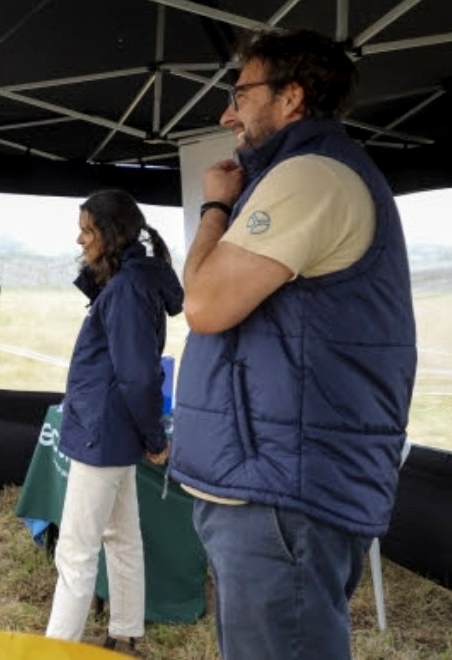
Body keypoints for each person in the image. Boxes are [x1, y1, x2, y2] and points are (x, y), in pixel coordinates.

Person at [169, 29, 417, 660]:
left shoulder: (311, 175)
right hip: (273, 483)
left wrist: (214, 209)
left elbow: (203, 304)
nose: (227, 113)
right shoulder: (298, 175)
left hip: (281, 492)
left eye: (240, 92)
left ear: (291, 98)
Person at [45, 190, 183, 652]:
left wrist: (154, 435)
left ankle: (58, 649)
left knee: (76, 552)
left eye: (87, 230)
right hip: (111, 430)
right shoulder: (129, 281)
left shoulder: (126, 289)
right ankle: (125, 636)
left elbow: (140, 375)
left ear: (112, 234)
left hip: (103, 433)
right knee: (122, 539)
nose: (80, 239)